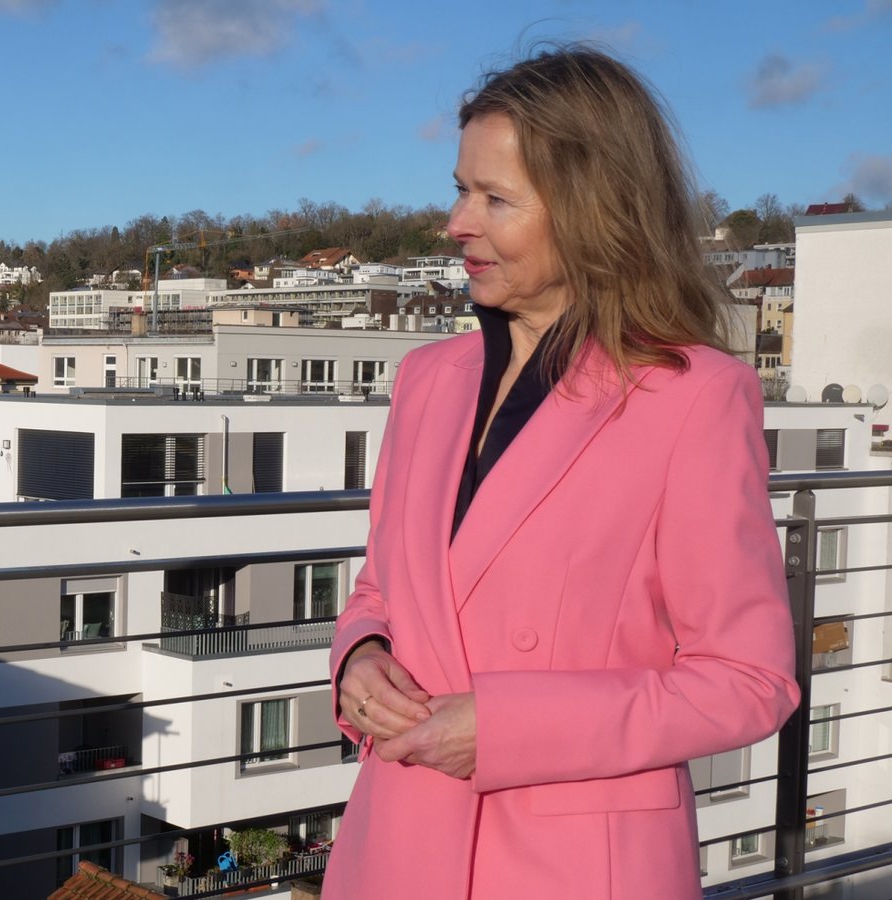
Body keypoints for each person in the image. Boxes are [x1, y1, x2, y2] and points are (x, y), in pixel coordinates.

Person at [327, 45, 800, 899]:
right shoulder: (426, 381)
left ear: (592, 212)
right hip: (398, 844)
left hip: (575, 868)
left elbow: (748, 682)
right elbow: (383, 589)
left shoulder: (692, 399)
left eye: (494, 198)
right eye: (459, 188)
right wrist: (359, 656)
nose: (456, 224)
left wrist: (506, 731)